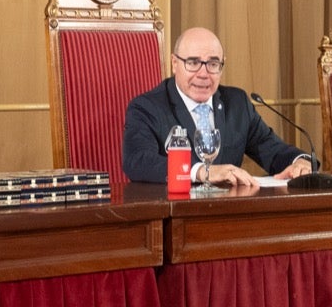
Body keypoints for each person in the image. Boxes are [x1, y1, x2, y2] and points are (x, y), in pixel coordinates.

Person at [121, 27, 315, 188]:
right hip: (176, 215)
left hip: (228, 216)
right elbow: (138, 161)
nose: (203, 74)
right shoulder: (147, 107)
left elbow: (271, 149)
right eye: (193, 63)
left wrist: (299, 161)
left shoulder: (237, 103)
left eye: (213, 64)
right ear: (174, 63)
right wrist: (202, 171)